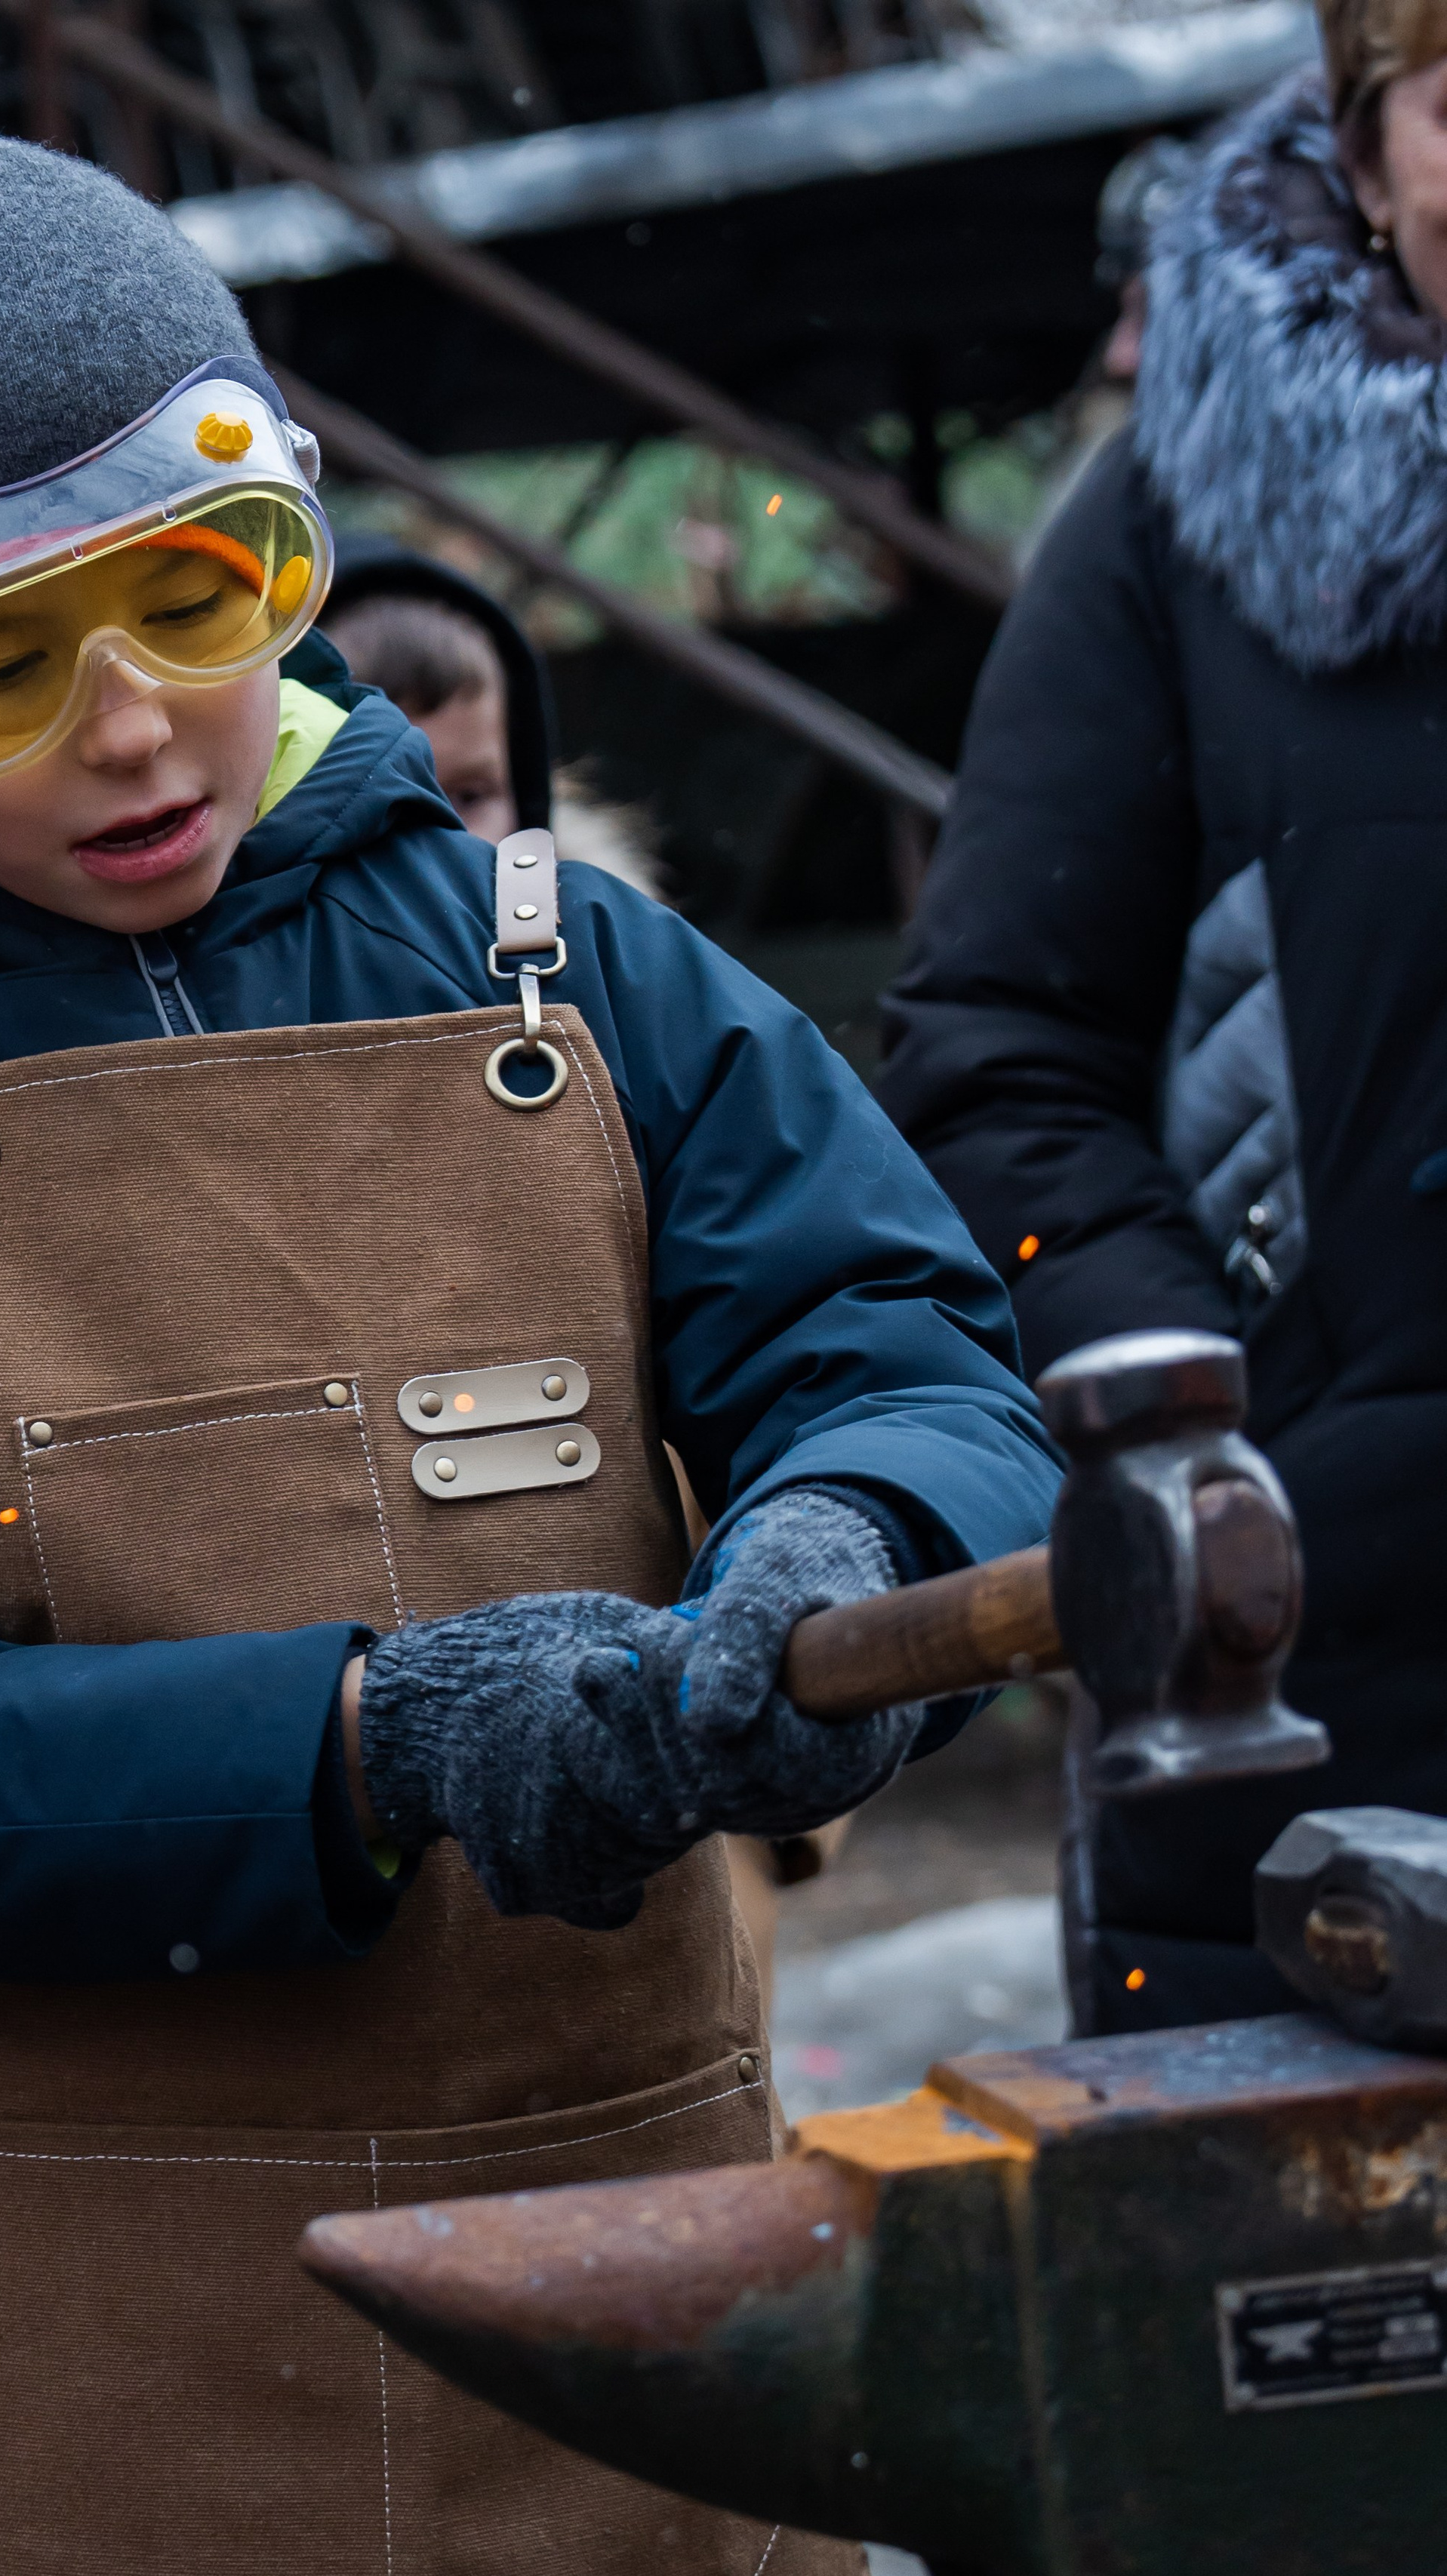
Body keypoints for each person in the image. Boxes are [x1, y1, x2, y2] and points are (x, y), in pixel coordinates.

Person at [0, 137, 1056, 2576]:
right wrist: (372, 1735)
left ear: (292, 539)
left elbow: (905, 1356)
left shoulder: (580, 974)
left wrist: (847, 1539)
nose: (133, 724)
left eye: (197, 594)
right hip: (93, 2448)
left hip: (656, 2357)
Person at [876, 0, 1447, 2036]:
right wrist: (1188, 1419)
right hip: (1343, 1685)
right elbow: (1000, 1044)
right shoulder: (1176, 545)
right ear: (1371, 153)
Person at [325, 535, 666, 891]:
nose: (440, 841)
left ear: (525, 790)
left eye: (468, 797)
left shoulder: (596, 934)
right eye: (384, 804)